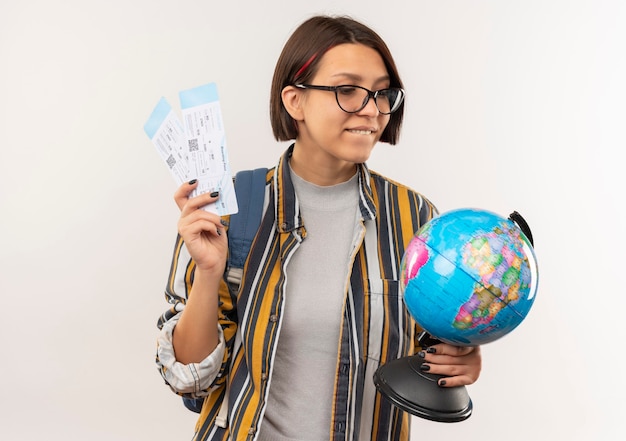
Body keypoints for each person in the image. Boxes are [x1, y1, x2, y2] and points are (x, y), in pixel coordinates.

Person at [155, 15, 482, 441]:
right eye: (347, 90)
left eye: (382, 93)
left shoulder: (415, 218)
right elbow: (189, 379)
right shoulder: (230, 208)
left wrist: (462, 358)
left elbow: (432, 346)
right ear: (295, 101)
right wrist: (209, 273)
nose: (370, 109)